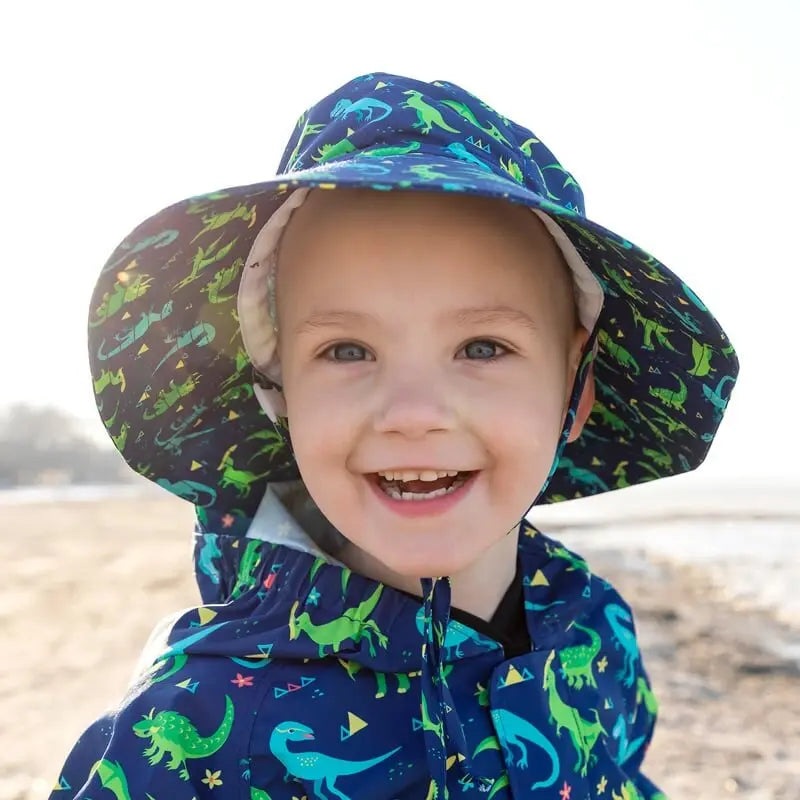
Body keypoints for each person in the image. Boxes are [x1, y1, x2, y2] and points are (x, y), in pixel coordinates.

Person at [52, 72, 738, 800]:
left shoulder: (594, 628)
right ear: (279, 390)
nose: (412, 413)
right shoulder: (189, 723)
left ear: (575, 391)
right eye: (347, 351)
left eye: (481, 347)